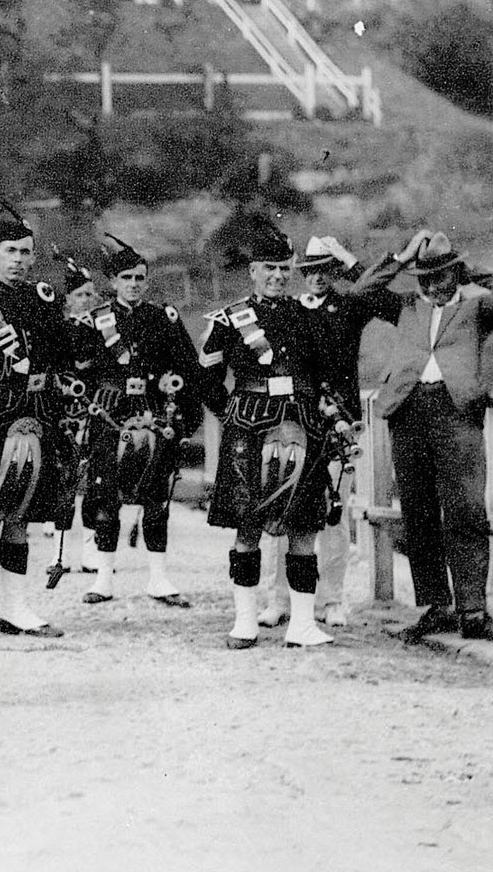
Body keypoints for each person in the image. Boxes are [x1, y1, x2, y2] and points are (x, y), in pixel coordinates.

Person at [198, 222, 342, 649]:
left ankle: (302, 625)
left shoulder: (308, 316)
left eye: (283, 267)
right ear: (252, 271)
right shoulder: (229, 320)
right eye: (268, 268)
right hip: (248, 427)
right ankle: (244, 620)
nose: (278, 275)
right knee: (247, 524)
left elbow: (325, 372)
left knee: (304, 527)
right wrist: (230, 412)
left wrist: (327, 411)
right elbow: (205, 377)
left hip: (301, 424)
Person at [356, 230, 493, 642]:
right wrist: (402, 255)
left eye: (440, 277)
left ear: (455, 273)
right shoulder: (405, 305)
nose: (432, 287)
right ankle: (438, 607)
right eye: (424, 279)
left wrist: (470, 275)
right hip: (409, 412)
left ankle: (473, 610)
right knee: (419, 513)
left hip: (456, 412)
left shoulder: (479, 307)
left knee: (466, 510)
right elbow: (362, 292)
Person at [75, 235, 205, 608]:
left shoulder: (162, 318)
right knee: (105, 498)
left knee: (156, 497)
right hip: (110, 415)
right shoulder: (93, 322)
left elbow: (187, 368)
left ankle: (159, 578)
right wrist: (94, 398)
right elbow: (77, 371)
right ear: (113, 281)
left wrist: (182, 420)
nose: (134, 284)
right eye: (126, 277)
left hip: (154, 412)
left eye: (139, 277)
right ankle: (103, 578)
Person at [0, 210, 69, 642]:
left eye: (26, 252)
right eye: (10, 251)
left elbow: (60, 354)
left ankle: (17, 610)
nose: (19, 259)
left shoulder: (43, 297)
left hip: (34, 415)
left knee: (21, 517)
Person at [257, 235, 376, 628]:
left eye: (325, 270)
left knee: (334, 514)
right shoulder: (288, 311)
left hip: (338, 419)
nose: (317, 278)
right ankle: (277, 599)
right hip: (294, 418)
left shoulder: (348, 306)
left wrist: (348, 257)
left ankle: (332, 599)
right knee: (280, 504)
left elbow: (375, 290)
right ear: (299, 274)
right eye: (309, 271)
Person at [56, 251, 100, 575]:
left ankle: (89, 549)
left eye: (90, 294)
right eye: (80, 295)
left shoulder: (101, 328)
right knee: (62, 477)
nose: (86, 300)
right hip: (62, 409)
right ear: (68, 299)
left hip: (92, 409)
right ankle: (59, 551)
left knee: (90, 479)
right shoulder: (57, 328)